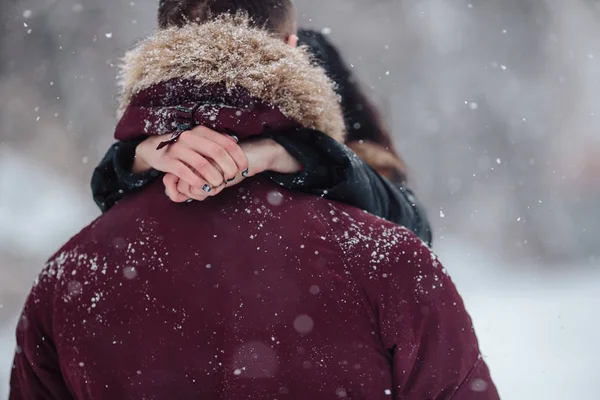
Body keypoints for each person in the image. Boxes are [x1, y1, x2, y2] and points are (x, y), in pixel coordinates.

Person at [10, 1, 499, 399]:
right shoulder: (383, 255)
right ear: (294, 53)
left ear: (156, 52)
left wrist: (140, 153)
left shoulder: (70, 273)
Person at [91, 30, 432, 245]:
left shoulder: (311, 55)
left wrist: (290, 153)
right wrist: (142, 155)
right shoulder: (166, 83)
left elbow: (411, 229)